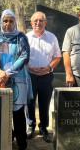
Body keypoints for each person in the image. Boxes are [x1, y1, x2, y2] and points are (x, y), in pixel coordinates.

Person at [0, 9, 33, 150]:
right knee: (2, 112)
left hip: (18, 81)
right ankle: (7, 141)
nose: (8, 23)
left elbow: (24, 57)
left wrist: (8, 73)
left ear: (14, 22)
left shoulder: (20, 37)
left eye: (10, 21)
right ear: (1, 22)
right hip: (0, 80)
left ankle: (22, 145)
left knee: (18, 114)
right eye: (5, 21)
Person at [26, 12, 61, 142]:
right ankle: (31, 126)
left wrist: (49, 68)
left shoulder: (52, 38)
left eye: (41, 20)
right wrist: (29, 67)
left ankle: (44, 127)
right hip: (30, 75)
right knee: (30, 102)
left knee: (44, 102)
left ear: (45, 23)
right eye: (35, 21)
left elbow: (57, 56)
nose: (38, 23)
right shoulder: (27, 37)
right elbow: (22, 56)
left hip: (46, 76)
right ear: (31, 23)